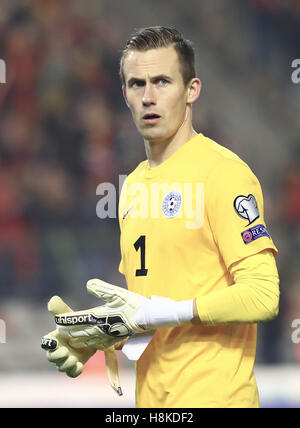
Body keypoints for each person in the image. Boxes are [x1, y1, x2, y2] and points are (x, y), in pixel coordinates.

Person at [42, 26, 280, 408]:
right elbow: (144, 312)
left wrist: (158, 312)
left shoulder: (222, 173)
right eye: (137, 84)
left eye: (162, 81)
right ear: (124, 95)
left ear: (192, 90)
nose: (148, 97)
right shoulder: (133, 186)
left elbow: (263, 295)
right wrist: (97, 334)